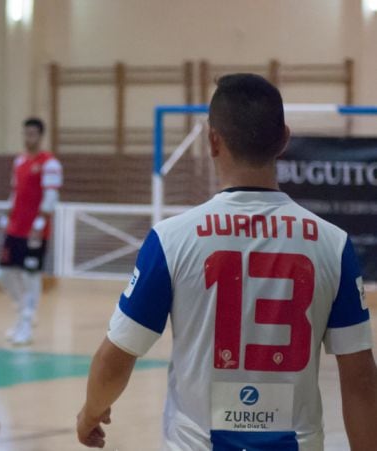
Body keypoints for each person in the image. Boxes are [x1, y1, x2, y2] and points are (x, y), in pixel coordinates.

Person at [77, 74, 377, 450]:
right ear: (284, 139)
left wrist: (90, 412)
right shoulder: (334, 244)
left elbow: (117, 356)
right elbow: (360, 379)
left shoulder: (171, 239)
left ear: (212, 140)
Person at [0, 117, 63, 346]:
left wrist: (40, 222)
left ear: (40, 136)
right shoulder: (20, 161)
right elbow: (16, 192)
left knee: (31, 276)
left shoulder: (50, 164)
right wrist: (8, 215)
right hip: (15, 229)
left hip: (34, 232)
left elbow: (51, 196)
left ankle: (25, 325)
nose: (28, 138)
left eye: (32, 134)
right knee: (2, 274)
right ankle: (23, 310)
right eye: (25, 133)